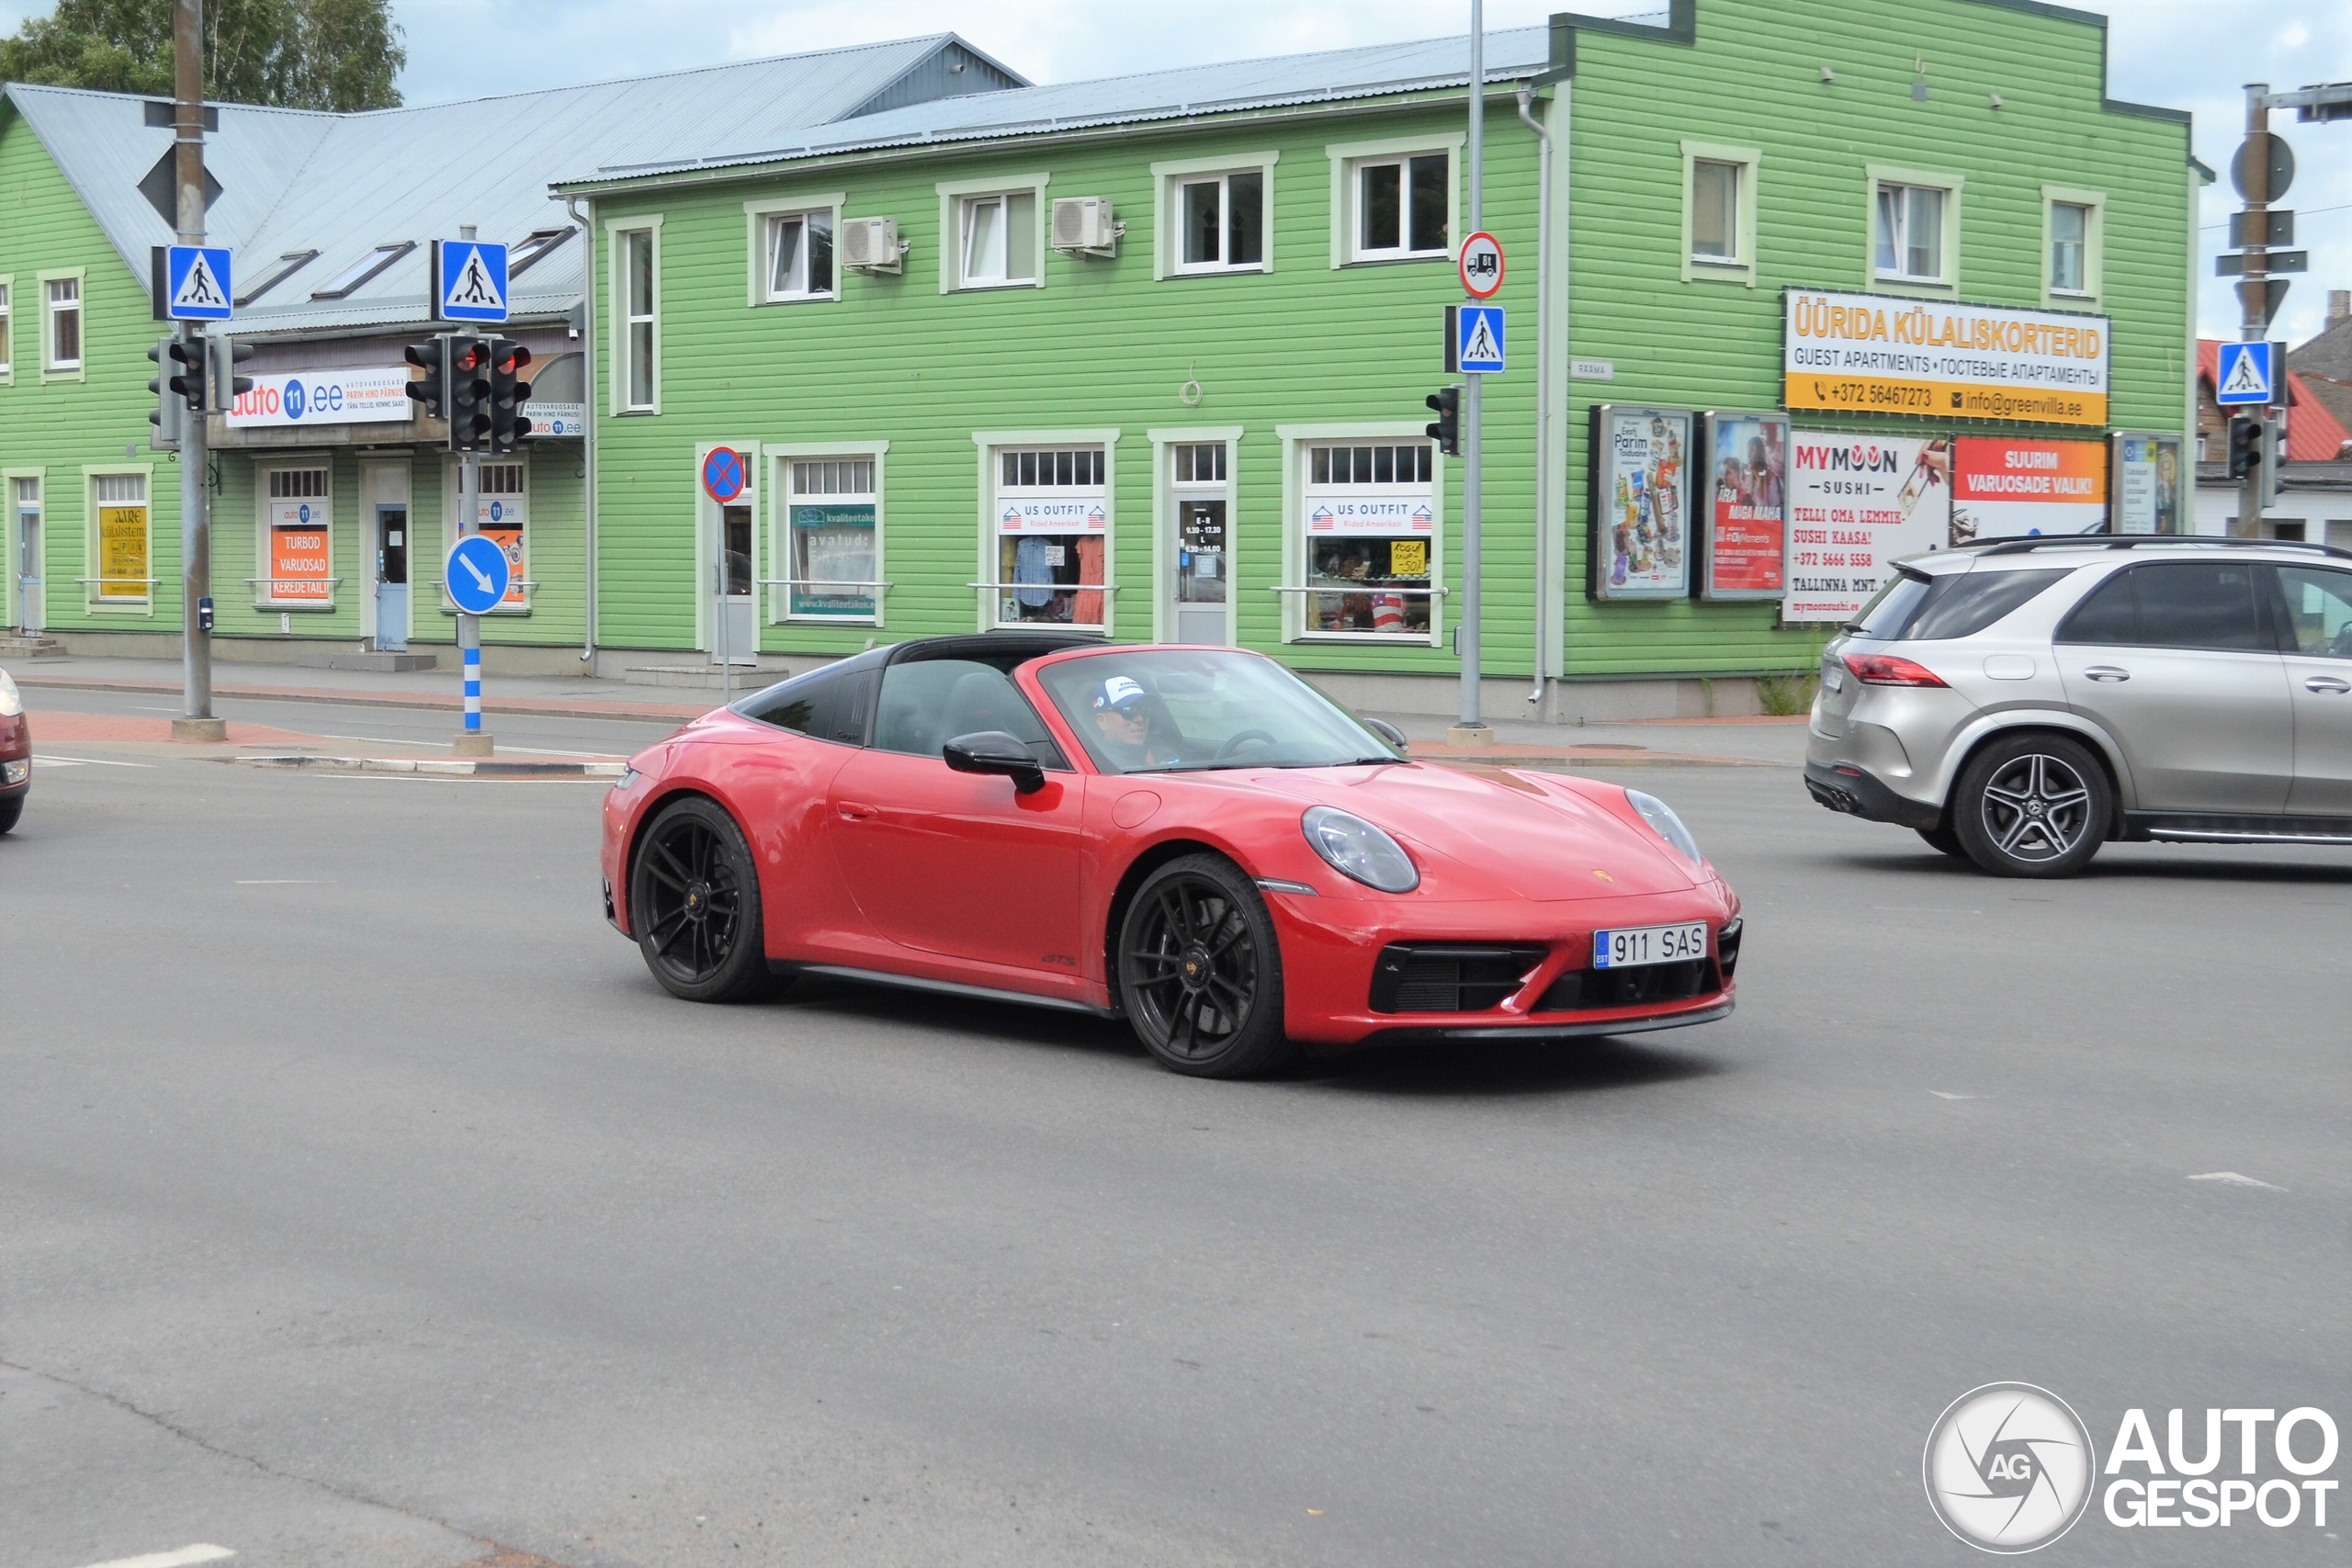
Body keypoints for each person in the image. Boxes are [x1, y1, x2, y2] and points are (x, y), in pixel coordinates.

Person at [1091, 674, 1181, 770]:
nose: (1140, 719)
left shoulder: (1163, 755)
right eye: (1128, 711)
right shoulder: (1096, 764)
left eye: (1144, 710)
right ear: (1102, 721)